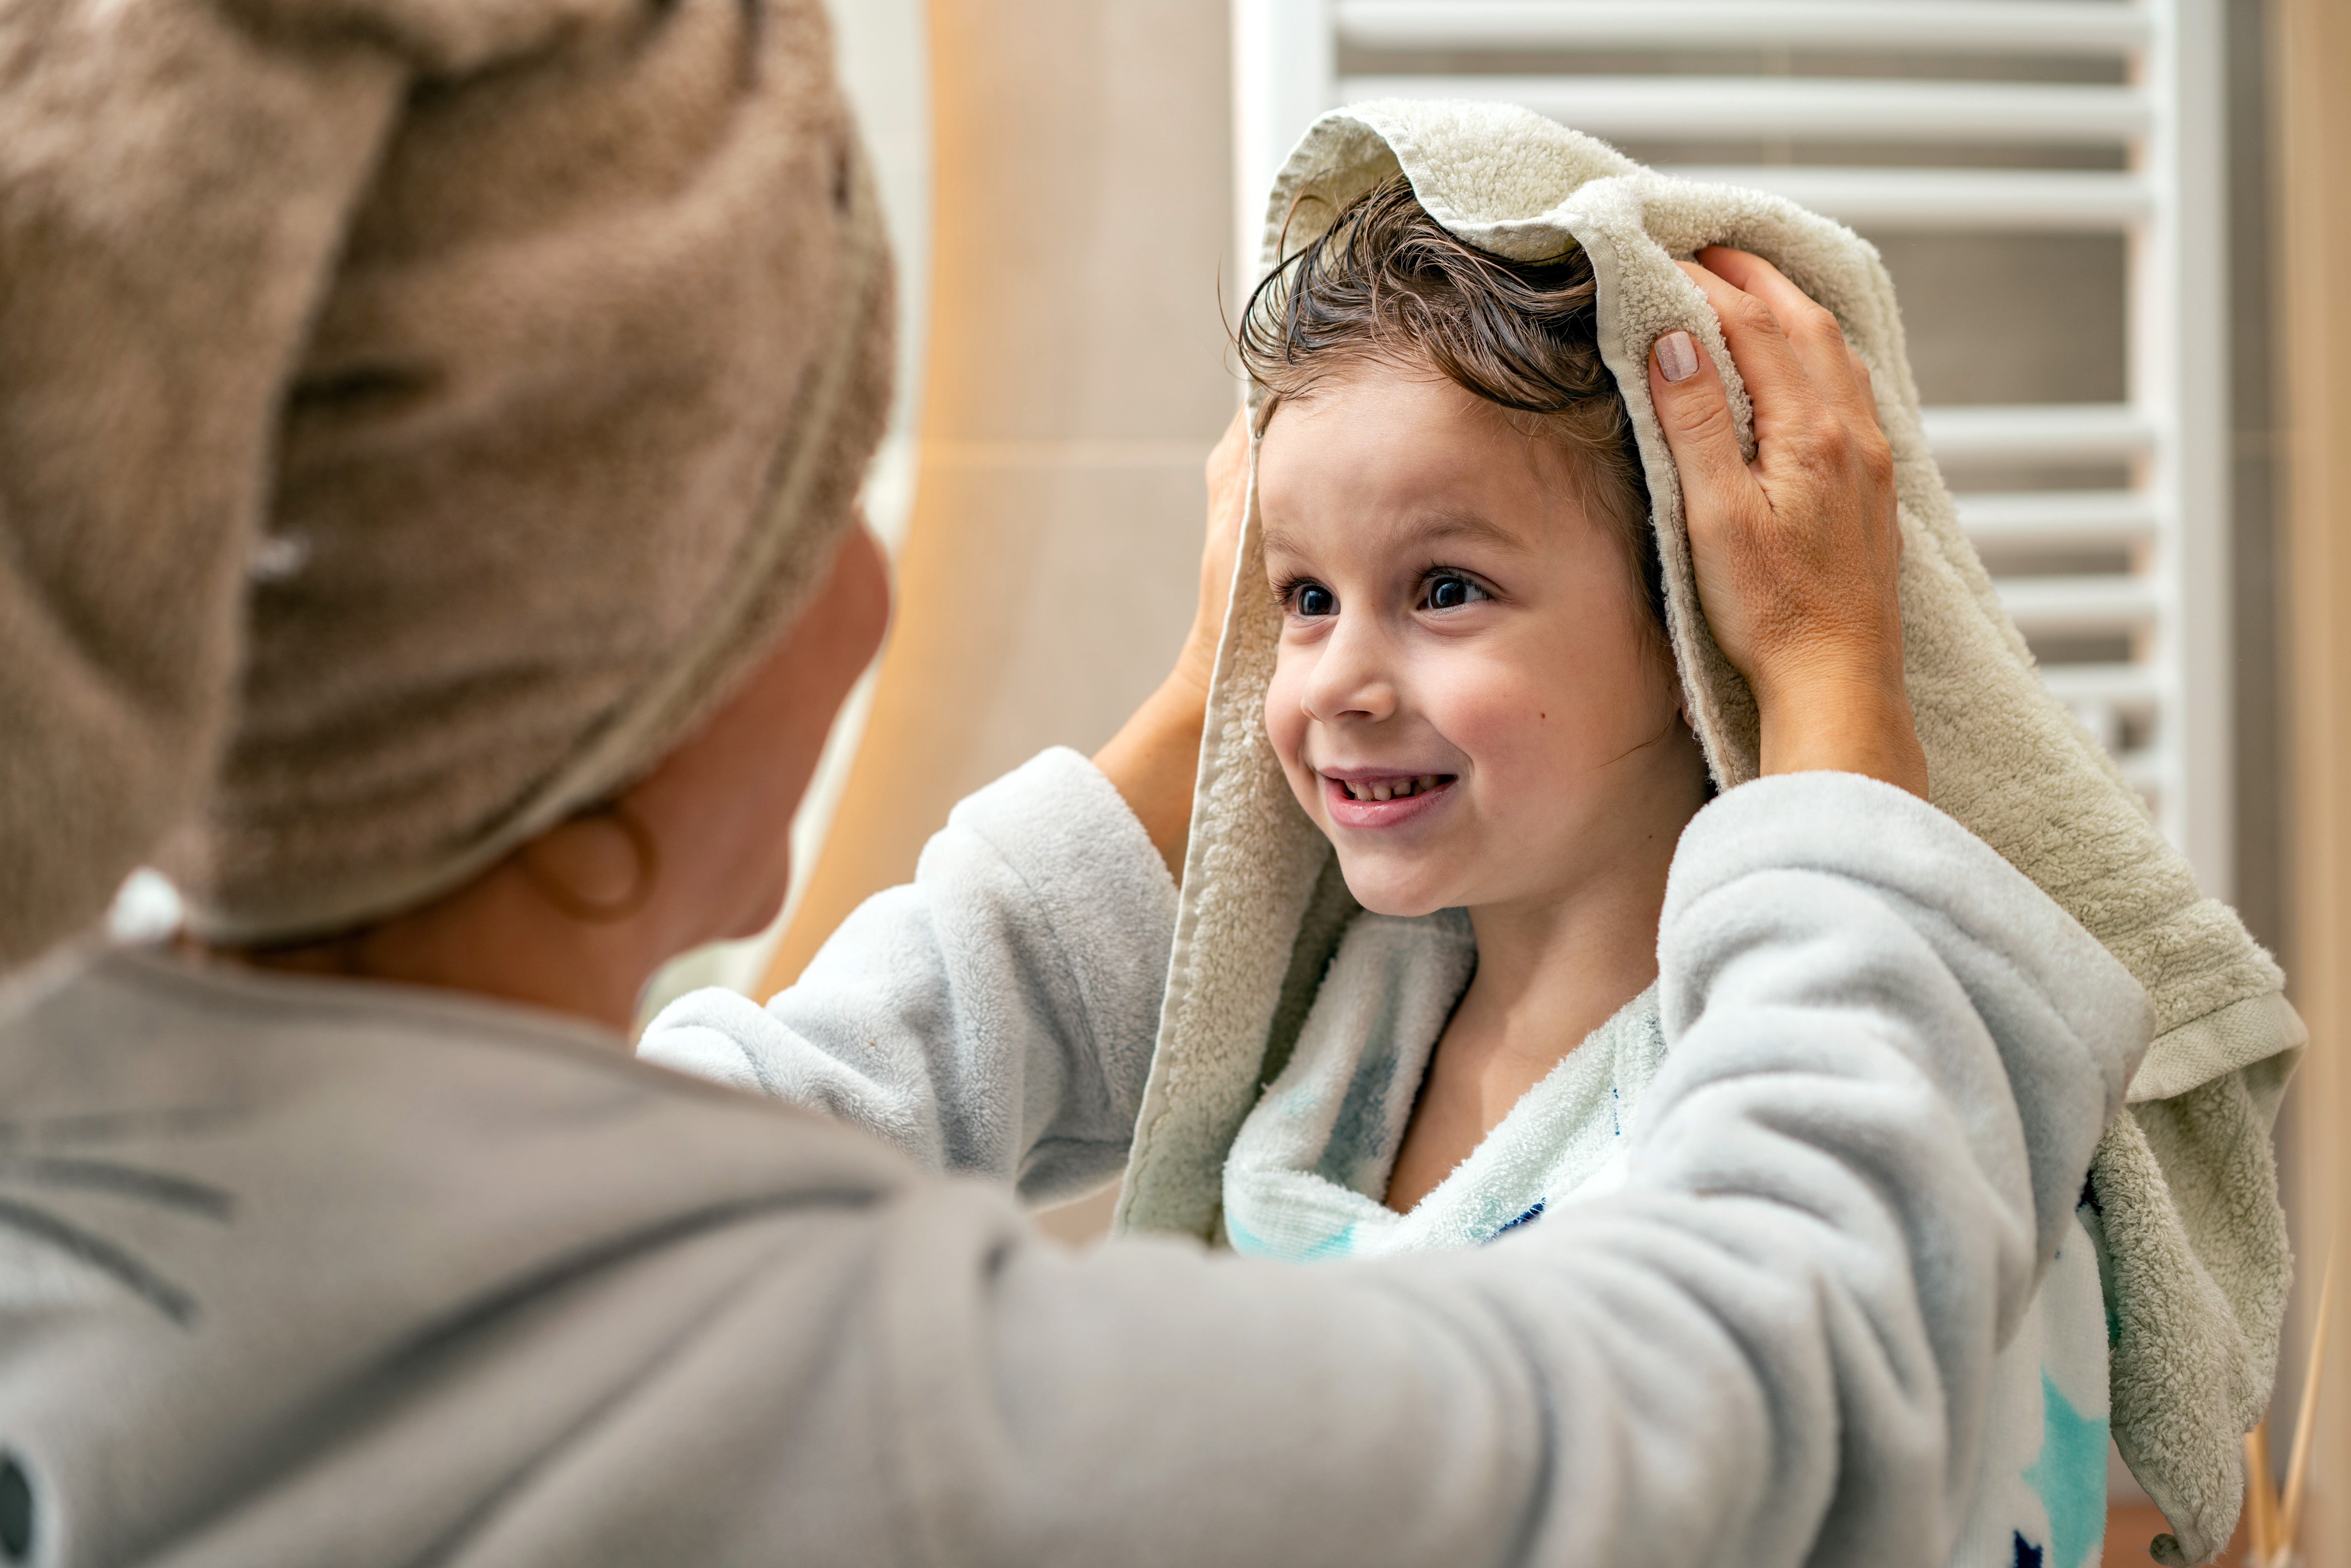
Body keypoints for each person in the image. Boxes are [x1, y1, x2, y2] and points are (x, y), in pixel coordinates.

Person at [0, 5, 2142, 1565]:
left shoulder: (108, 1187)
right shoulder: (889, 1416)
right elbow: (1770, 1425)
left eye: (1436, 587)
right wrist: (1841, 677)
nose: (871, 585)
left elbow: (811, 1087)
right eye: (828, 503)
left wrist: (1238, 691)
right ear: (636, 684)